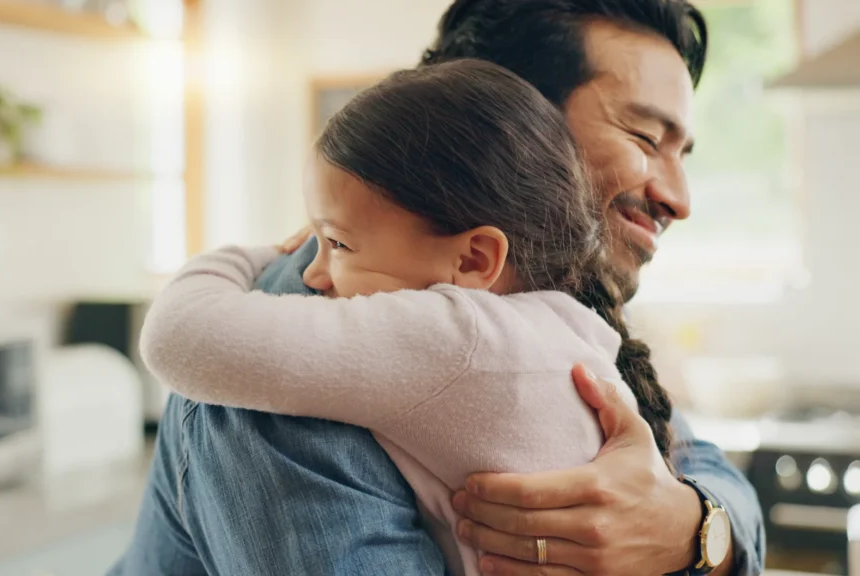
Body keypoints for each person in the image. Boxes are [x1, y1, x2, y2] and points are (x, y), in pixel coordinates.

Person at [110, 0, 765, 574]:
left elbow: (710, 471)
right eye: (646, 138)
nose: (680, 199)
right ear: (505, 118)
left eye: (684, 153)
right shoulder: (298, 342)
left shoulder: (546, 312)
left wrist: (688, 527)